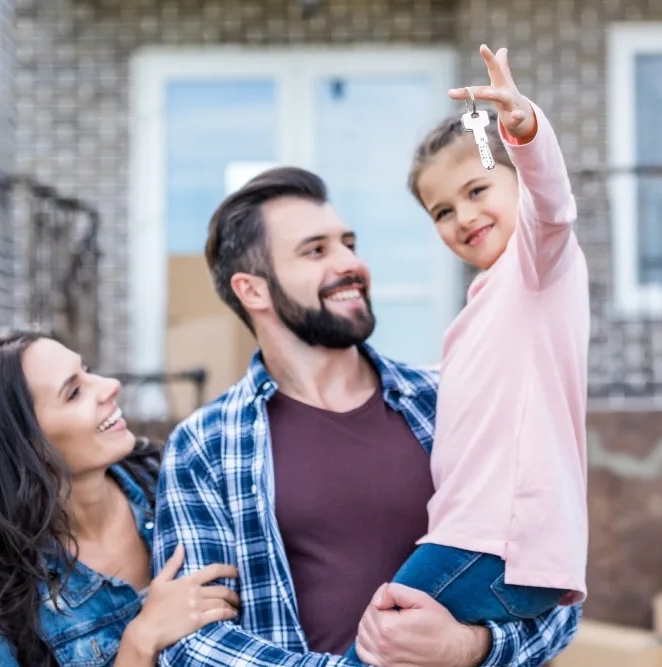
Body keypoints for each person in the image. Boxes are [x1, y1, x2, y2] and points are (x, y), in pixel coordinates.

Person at [151, 92, 581, 665]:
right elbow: (192, 643)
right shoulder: (206, 446)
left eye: (348, 244)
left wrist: (468, 649)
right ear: (252, 290)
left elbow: (553, 595)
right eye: (315, 251)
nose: (349, 263)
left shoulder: (442, 399)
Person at [346, 43, 590, 659]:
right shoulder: (484, 305)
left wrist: (522, 131)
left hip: (491, 544)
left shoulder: (538, 268)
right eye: (442, 211)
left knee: (374, 650)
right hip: (484, 543)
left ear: (514, 181)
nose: (464, 216)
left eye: (479, 189)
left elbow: (553, 208)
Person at [0, 331, 240, 666]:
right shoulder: (3, 608)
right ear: (26, 448)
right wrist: (140, 641)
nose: (109, 385)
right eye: (74, 392)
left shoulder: (181, 481)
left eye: (87, 370)